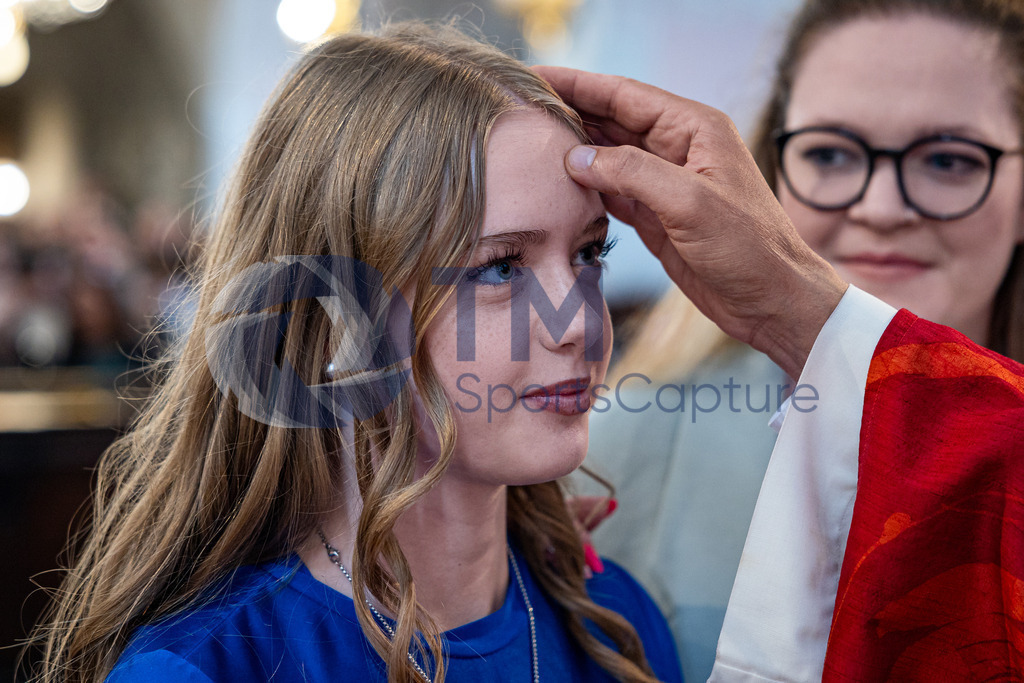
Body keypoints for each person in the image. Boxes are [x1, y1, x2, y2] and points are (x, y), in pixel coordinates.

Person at [28, 23, 683, 683]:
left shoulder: (614, 624)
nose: (576, 324)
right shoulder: (211, 666)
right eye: (500, 267)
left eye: (590, 251)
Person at [534, 0, 1024, 677]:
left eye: (948, 160)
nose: (881, 208)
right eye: (829, 153)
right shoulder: (628, 445)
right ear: (766, 172)